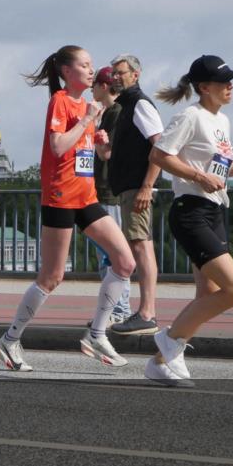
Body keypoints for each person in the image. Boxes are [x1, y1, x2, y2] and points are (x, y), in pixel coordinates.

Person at [0, 46, 136, 371]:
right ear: (67, 73)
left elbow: (97, 157)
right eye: (84, 65)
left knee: (125, 262)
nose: (91, 70)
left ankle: (97, 333)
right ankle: (10, 340)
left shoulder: (87, 107)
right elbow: (58, 146)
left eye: (91, 64)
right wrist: (86, 119)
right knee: (52, 276)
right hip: (60, 198)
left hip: (86, 198)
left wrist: (99, 143)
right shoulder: (60, 101)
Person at [146, 55, 233, 386]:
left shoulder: (221, 121)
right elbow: (158, 155)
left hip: (214, 211)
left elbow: (217, 174)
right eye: (224, 80)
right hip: (190, 213)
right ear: (204, 87)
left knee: (208, 295)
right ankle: (169, 340)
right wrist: (199, 177)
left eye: (232, 79)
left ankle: (160, 363)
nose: (231, 85)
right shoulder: (190, 116)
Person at [107, 54, 164, 336]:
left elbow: (160, 147)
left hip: (136, 188)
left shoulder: (139, 104)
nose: (115, 77)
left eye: (121, 73)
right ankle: (144, 311)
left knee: (141, 246)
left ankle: (147, 312)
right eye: (114, 73)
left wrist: (146, 186)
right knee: (140, 245)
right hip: (130, 187)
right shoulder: (128, 105)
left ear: (135, 75)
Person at [90, 66, 132, 326]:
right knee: (106, 254)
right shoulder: (109, 113)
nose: (91, 89)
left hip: (108, 191)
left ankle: (119, 309)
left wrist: (94, 135)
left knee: (112, 254)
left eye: (94, 84)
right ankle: (111, 309)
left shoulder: (115, 113)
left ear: (104, 86)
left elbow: (107, 152)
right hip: (102, 190)